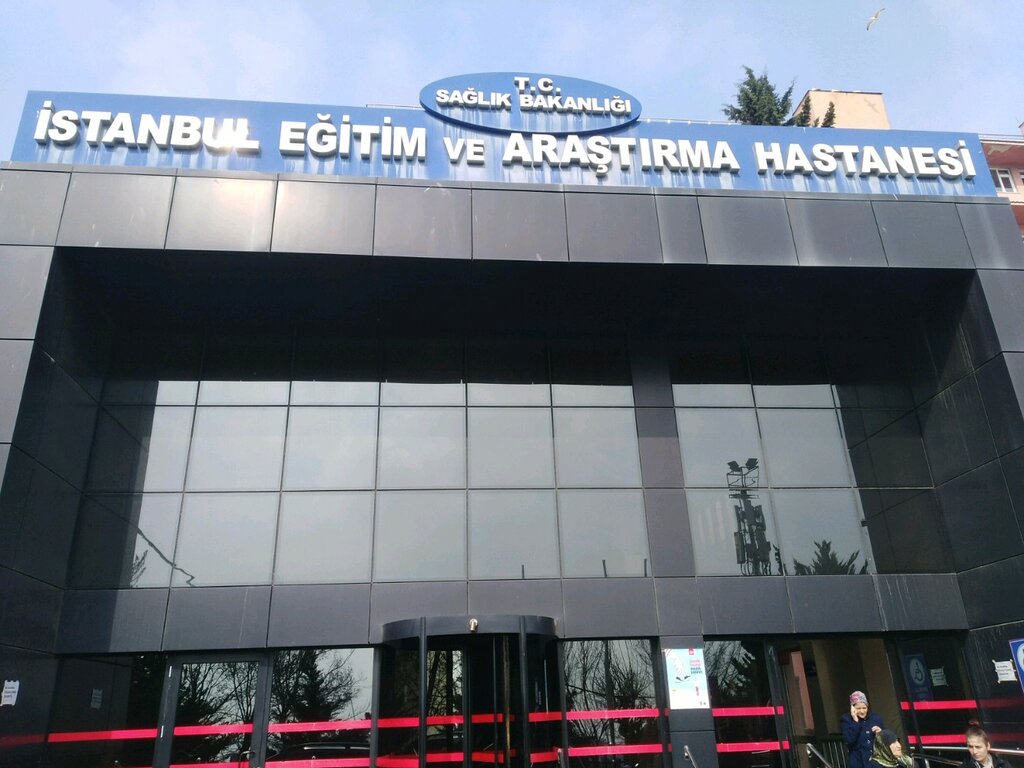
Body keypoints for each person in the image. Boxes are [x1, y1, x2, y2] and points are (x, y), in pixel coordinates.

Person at [841, 690, 885, 768]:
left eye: (864, 708)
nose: (862, 711)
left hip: (875, 761)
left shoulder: (875, 718)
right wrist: (855, 721)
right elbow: (849, 740)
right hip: (858, 761)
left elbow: (885, 741)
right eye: (858, 708)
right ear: (852, 708)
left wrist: (880, 733)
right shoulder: (846, 719)